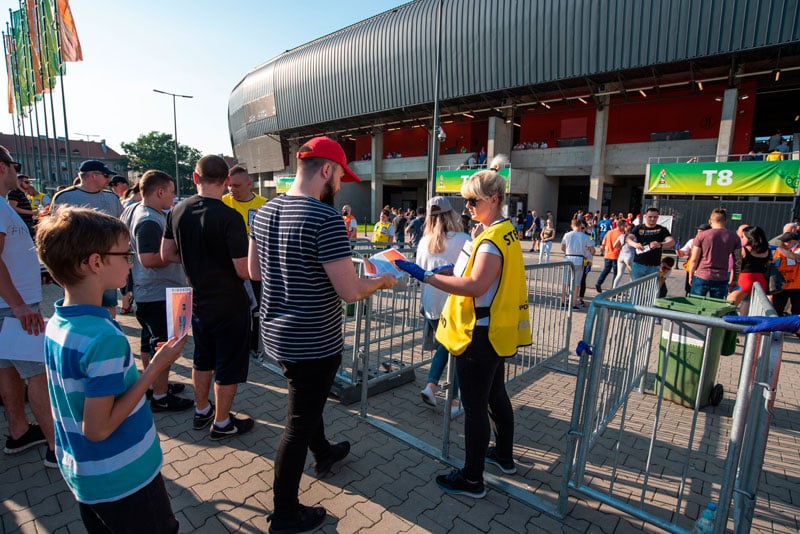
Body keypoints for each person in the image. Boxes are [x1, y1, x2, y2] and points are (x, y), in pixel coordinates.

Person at [248, 136, 397, 532]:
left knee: (305, 403)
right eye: (340, 177)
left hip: (276, 335)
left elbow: (254, 272)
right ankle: (284, 513)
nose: (341, 185)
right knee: (297, 422)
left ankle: (326, 451)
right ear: (326, 170)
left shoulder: (262, 213)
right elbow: (350, 291)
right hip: (314, 340)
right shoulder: (324, 218)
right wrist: (379, 282)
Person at [36, 207, 186, 533]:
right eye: (125, 254)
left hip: (86, 475)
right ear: (95, 262)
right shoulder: (104, 338)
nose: (131, 262)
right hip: (124, 478)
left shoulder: (58, 322)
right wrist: (155, 369)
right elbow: (98, 428)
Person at [396, 155, 531, 499]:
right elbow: (465, 273)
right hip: (495, 330)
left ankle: (472, 479)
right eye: (465, 201)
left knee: (474, 408)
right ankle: (504, 456)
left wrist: (428, 277)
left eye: (474, 200)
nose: (468, 206)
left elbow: (472, 285)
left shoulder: (491, 239)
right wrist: (441, 272)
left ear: (495, 200)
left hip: (480, 333)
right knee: (495, 396)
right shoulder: (501, 231)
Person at [161, 155, 254, 439]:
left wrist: (195, 259)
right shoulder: (230, 217)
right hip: (229, 303)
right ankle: (223, 422)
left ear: (195, 177)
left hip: (198, 299)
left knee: (202, 359)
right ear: (226, 181)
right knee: (227, 363)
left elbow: (166, 255)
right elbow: (242, 269)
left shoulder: (177, 211)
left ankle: (202, 410)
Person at [0, 147, 56, 468]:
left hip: (11, 304)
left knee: (7, 368)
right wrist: (19, 305)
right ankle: (55, 446)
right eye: (13, 166)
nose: (16, 173)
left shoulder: (4, 205)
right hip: (14, 307)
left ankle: (20, 431)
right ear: (1, 167)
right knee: (37, 374)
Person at [128, 170, 193, 413]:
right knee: (166, 346)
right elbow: (148, 258)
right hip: (160, 293)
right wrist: (182, 255)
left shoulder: (139, 210)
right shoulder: (148, 219)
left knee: (150, 344)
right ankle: (160, 395)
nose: (174, 197)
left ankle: (155, 385)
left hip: (151, 293)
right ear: (159, 192)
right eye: (172, 191)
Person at [416, 196, 470, 417]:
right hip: (454, 303)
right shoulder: (464, 239)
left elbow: (420, 272)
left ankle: (432, 386)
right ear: (451, 214)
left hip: (431, 302)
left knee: (446, 347)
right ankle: (453, 400)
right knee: (454, 350)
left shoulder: (423, 242)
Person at [51, 160, 123, 316]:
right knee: (77, 303)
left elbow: (120, 227)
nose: (109, 180)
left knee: (109, 302)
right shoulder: (65, 197)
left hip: (106, 261)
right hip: (77, 262)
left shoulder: (112, 198)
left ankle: (108, 329)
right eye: (105, 176)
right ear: (92, 175)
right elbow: (55, 232)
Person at [222, 165, 267, 358]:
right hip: (229, 269)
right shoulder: (222, 202)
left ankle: (255, 343)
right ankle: (236, 343)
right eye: (230, 185)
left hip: (255, 267)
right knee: (233, 308)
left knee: (257, 306)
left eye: (237, 185)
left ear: (250, 184)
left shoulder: (264, 204)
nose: (232, 190)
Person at [688, 208, 741, 299]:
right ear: (726, 221)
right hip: (721, 277)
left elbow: (694, 259)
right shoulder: (734, 237)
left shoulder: (701, 235)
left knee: (695, 306)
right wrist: (735, 279)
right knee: (717, 308)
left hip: (702, 275)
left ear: (710, 221)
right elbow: (738, 261)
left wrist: (691, 275)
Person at [728, 226, 771, 314]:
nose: (742, 239)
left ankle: (726, 324)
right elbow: (767, 265)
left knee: (729, 303)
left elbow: (736, 268)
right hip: (760, 279)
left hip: (745, 279)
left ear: (750, 238)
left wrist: (732, 282)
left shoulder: (743, 250)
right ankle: (743, 324)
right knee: (748, 303)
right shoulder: (767, 251)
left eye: (743, 237)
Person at [627, 207, 674, 280]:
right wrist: (635, 244)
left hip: (654, 266)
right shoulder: (638, 228)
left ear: (658, 217)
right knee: (636, 290)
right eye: (650, 217)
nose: (652, 219)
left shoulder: (662, 229)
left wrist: (660, 244)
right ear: (645, 217)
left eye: (655, 217)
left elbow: (671, 242)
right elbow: (628, 238)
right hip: (638, 265)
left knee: (650, 290)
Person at [561, 218, 595, 309]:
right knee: (577, 283)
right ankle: (574, 303)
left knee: (565, 281)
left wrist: (567, 252)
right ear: (580, 225)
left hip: (568, 257)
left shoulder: (567, 234)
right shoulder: (585, 236)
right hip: (579, 259)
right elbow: (593, 250)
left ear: (572, 225)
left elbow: (562, 247)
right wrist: (587, 255)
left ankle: (563, 301)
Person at [770, 232, 800, 315]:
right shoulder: (778, 250)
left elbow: (795, 257)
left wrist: (780, 248)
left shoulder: (798, 249)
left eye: (786, 241)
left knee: (797, 311)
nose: (782, 243)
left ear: (794, 242)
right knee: (776, 309)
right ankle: (776, 327)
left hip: (796, 286)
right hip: (781, 285)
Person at [678, 223, 711, 295]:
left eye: (701, 232)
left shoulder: (712, 243)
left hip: (704, 272)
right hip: (691, 270)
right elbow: (682, 254)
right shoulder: (692, 241)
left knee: (700, 293)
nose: (698, 234)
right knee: (689, 291)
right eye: (698, 232)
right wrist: (677, 249)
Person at [596, 218, 623, 292]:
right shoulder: (621, 234)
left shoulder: (609, 232)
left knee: (606, 270)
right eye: (624, 226)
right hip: (616, 255)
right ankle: (613, 289)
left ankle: (599, 283)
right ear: (621, 226)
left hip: (607, 254)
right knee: (616, 273)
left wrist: (602, 250)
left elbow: (603, 243)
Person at [612, 221, 633, 288]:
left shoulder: (622, 236)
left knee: (619, 274)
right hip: (630, 255)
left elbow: (614, 245)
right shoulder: (633, 237)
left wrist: (620, 247)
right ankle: (631, 292)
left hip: (621, 256)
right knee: (631, 275)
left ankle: (613, 289)